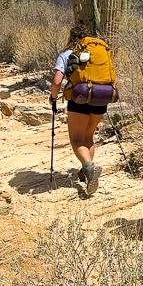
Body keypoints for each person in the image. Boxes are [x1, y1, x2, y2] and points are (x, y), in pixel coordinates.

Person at [50, 24, 104, 196]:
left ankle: (89, 168)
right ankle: (87, 171)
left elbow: (57, 81)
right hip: (101, 97)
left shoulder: (67, 54)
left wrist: (53, 97)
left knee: (76, 139)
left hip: (79, 98)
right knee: (89, 136)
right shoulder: (96, 53)